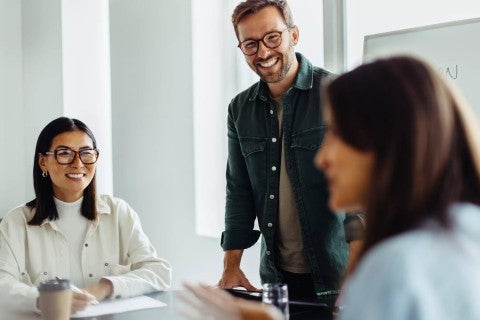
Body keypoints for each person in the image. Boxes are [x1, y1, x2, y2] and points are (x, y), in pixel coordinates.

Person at [181, 55, 480, 319]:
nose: (322, 158)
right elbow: (238, 188)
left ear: (386, 143)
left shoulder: (392, 269)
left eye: (337, 135)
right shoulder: (466, 232)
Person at [218, 0, 363, 299]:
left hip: (337, 279)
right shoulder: (239, 110)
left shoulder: (337, 95)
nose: (264, 52)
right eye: (250, 44)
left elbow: (359, 204)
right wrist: (231, 265)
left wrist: (357, 279)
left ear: (293, 35)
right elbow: (238, 191)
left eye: (272, 37)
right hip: (276, 281)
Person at [0, 117, 172, 314]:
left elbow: (159, 272)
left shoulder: (119, 213)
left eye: (86, 153)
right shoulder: (15, 222)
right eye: (64, 153)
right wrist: (46, 300)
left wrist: (103, 288)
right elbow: (2, 285)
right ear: (43, 162)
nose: (78, 163)